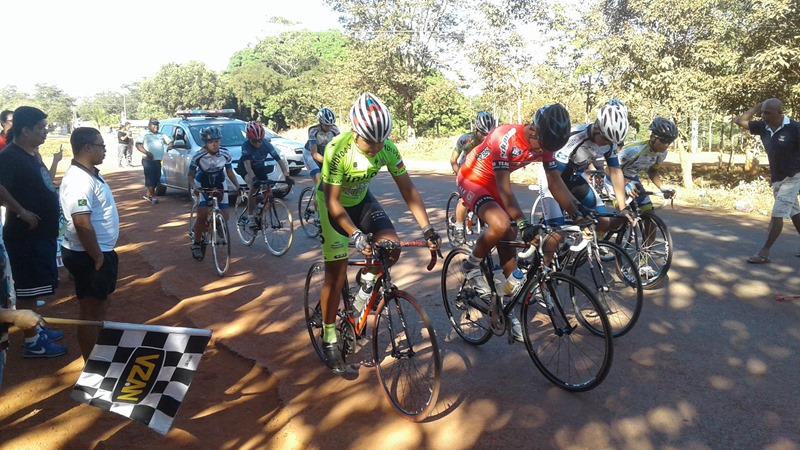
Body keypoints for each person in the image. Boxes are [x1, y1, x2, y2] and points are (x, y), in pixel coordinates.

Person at [316, 93, 440, 373]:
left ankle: (366, 281)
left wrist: (427, 228)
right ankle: (329, 336)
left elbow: (408, 190)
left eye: (381, 141)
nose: (376, 148)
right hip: (332, 206)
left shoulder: (387, 149)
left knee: (391, 248)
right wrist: (355, 235)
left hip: (361, 201)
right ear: (354, 132)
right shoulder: (338, 149)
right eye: (369, 142)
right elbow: (333, 201)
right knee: (335, 275)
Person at [457, 103, 584, 341]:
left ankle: (503, 303)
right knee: (502, 224)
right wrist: (524, 222)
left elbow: (555, 182)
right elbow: (505, 190)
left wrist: (577, 214)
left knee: (510, 240)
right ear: (534, 130)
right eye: (543, 145)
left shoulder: (546, 142)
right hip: (472, 179)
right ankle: (471, 265)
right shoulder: (503, 137)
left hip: (495, 184)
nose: (544, 150)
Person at [0, 106, 67, 358]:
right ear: (25, 129)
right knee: (29, 289)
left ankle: (37, 329)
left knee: (39, 287)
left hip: (41, 236)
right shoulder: (9, 156)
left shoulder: (30, 154)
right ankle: (32, 343)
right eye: (41, 127)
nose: (46, 131)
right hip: (25, 237)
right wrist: (21, 211)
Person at [59, 127, 119, 360]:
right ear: (87, 147)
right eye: (101, 145)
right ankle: (91, 366)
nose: (104, 150)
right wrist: (97, 257)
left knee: (101, 304)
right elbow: (81, 221)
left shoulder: (91, 172)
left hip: (99, 251)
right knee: (90, 311)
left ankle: (98, 357)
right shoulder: (78, 179)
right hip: (89, 254)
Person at [540, 99, 633, 232]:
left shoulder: (610, 142)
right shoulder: (574, 138)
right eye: (605, 140)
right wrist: (576, 208)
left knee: (603, 220)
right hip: (553, 178)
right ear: (596, 128)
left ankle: (579, 252)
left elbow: (615, 171)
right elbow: (556, 180)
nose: (607, 144)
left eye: (611, 142)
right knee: (556, 233)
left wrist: (622, 207)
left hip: (574, 178)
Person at [734, 98, 800, 264]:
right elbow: (739, 121)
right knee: (795, 213)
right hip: (778, 179)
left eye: (767, 113)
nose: (763, 115)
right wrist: (759, 106)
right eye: (762, 112)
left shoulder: (795, 128)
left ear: (779, 113)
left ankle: (764, 253)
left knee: (777, 215)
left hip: (792, 178)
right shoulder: (763, 126)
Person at [187, 126, 241, 261]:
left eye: (217, 141)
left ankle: (218, 222)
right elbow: (190, 175)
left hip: (219, 184)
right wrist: (194, 187)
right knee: (202, 216)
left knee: (226, 215)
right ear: (205, 143)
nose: (215, 144)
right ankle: (197, 244)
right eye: (211, 142)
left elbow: (229, 173)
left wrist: (238, 186)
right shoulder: (198, 156)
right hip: (202, 185)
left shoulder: (226, 154)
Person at [449, 111, 496, 244]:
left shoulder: (494, 140)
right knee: (466, 198)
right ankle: (458, 227)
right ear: (476, 130)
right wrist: (459, 175)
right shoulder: (466, 139)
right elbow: (453, 160)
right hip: (465, 170)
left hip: (482, 171)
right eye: (483, 134)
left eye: (489, 134)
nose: (485, 137)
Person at [241, 121, 293, 230]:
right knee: (254, 187)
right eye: (254, 141)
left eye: (260, 140)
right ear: (248, 138)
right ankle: (250, 216)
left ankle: (260, 211)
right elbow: (247, 165)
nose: (258, 143)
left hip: (260, 167)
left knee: (266, 188)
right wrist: (254, 178)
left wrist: (286, 176)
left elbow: (279, 160)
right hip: (246, 168)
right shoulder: (245, 145)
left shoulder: (266, 144)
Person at [135, 118, 172, 204]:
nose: (156, 126)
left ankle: (149, 193)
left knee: (157, 178)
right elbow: (138, 145)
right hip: (147, 160)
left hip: (158, 161)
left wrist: (170, 146)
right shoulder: (144, 134)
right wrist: (146, 152)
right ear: (149, 125)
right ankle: (152, 196)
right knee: (150, 178)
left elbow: (170, 141)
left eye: (157, 125)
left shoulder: (161, 135)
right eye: (154, 125)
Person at [304, 108, 340, 187]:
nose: (329, 128)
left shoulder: (335, 129)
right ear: (320, 122)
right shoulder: (313, 130)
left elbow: (340, 146)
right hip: (310, 154)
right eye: (326, 125)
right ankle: (317, 197)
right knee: (318, 179)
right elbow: (314, 154)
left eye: (331, 125)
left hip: (324, 152)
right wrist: (330, 163)